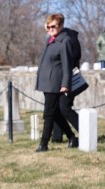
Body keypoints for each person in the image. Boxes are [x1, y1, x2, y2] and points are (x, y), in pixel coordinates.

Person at [35, 13, 78, 152]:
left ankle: (43, 144)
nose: (50, 29)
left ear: (61, 26)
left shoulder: (65, 41)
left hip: (56, 83)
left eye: (54, 26)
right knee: (56, 113)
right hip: (47, 82)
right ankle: (72, 137)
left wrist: (66, 84)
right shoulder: (50, 39)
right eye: (48, 26)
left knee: (48, 114)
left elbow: (67, 65)